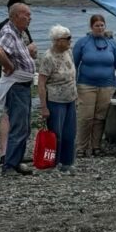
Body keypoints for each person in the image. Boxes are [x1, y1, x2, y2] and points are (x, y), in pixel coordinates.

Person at [0, 1, 37, 176]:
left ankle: (16, 160)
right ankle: (9, 165)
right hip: (16, 86)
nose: (30, 18)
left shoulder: (18, 33)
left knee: (24, 125)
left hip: (23, 85)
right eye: (26, 14)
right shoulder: (9, 32)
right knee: (18, 125)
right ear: (15, 16)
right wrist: (9, 66)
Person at [73, 14, 116, 156]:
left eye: (102, 25)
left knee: (100, 117)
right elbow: (74, 65)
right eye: (97, 25)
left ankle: (96, 146)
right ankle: (81, 147)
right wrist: (72, 84)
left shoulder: (113, 44)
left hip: (107, 85)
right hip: (86, 85)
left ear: (105, 26)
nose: (100, 28)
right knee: (86, 116)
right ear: (91, 27)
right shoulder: (82, 43)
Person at [38, 25, 78, 174]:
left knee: (70, 133)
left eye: (70, 37)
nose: (70, 41)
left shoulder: (69, 52)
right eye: (67, 38)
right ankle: (52, 163)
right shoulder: (48, 57)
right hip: (55, 100)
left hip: (70, 98)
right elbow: (41, 83)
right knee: (56, 134)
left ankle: (67, 162)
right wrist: (43, 106)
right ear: (57, 40)